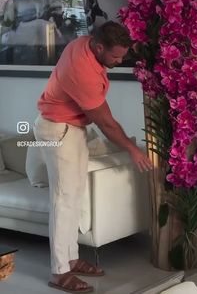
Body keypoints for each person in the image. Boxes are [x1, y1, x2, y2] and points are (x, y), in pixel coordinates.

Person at [33, 21, 153, 293]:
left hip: (71, 127)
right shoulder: (82, 70)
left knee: (74, 196)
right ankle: (59, 272)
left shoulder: (87, 43)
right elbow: (107, 123)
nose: (121, 60)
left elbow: (101, 110)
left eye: (124, 55)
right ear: (99, 47)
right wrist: (132, 149)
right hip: (58, 129)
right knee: (63, 200)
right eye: (116, 56)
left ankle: (71, 258)